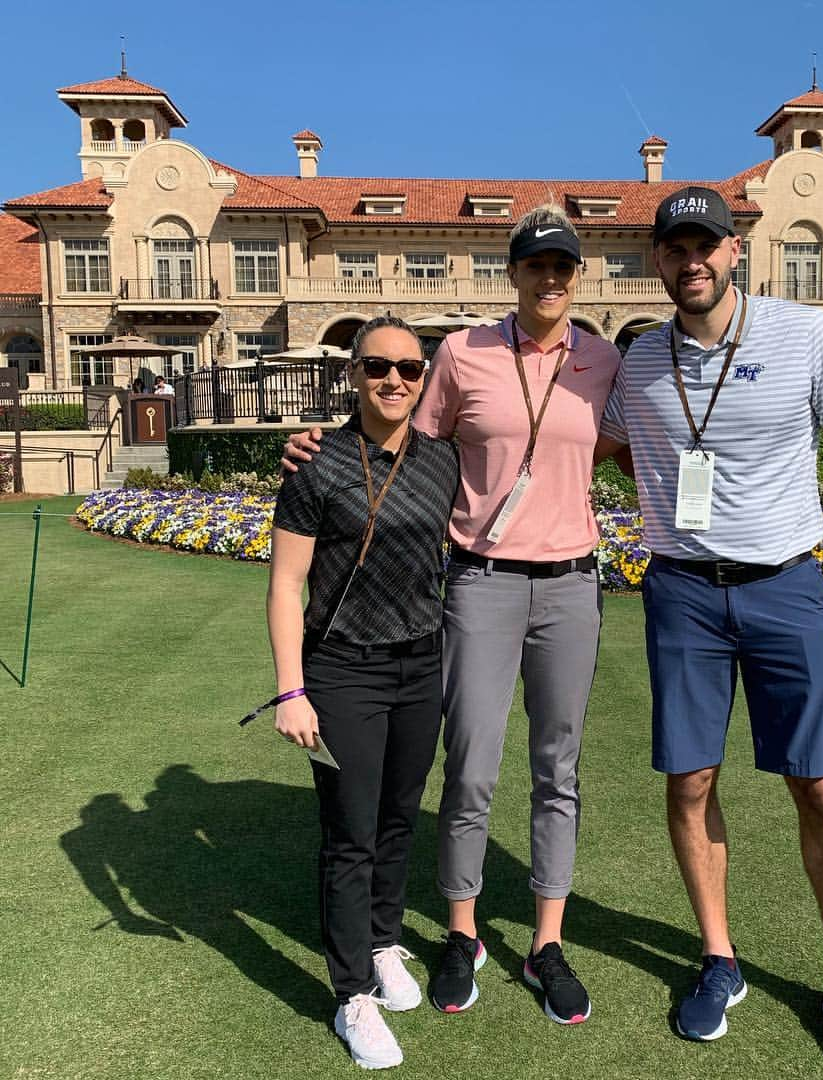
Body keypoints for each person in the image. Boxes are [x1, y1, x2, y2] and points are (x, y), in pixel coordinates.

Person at [283, 204, 621, 1025]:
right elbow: (396, 436)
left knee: (558, 770)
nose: (550, 278)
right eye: (535, 265)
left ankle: (547, 942)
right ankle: (462, 932)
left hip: (572, 584)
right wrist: (314, 447)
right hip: (481, 581)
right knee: (469, 765)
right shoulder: (464, 353)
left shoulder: (605, 359)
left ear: (578, 275)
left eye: (563, 267)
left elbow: (617, 443)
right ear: (513, 272)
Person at [594, 187, 823, 1069]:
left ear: (735, 251)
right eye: (675, 247)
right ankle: (719, 958)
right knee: (689, 784)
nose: (692, 260)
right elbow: (589, 442)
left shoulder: (806, 335)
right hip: (681, 592)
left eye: (706, 245)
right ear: (657, 259)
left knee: (821, 787)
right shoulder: (640, 360)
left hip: (787, 586)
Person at [267, 315, 458, 1069]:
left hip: (421, 663)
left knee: (399, 817)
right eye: (378, 366)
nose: (393, 381)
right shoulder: (315, 463)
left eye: (410, 369)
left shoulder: (442, 459)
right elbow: (286, 586)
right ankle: (351, 992)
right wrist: (291, 689)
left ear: (424, 378)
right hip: (342, 667)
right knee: (350, 833)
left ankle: (382, 942)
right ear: (354, 372)